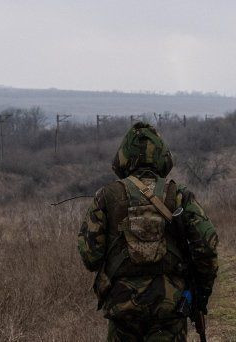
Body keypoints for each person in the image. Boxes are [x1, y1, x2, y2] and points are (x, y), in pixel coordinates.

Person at [78, 122, 218, 341]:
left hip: (123, 308)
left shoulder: (106, 196)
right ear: (163, 156)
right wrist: (201, 294)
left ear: (123, 157)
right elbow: (207, 248)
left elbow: (90, 257)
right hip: (170, 307)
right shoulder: (178, 195)